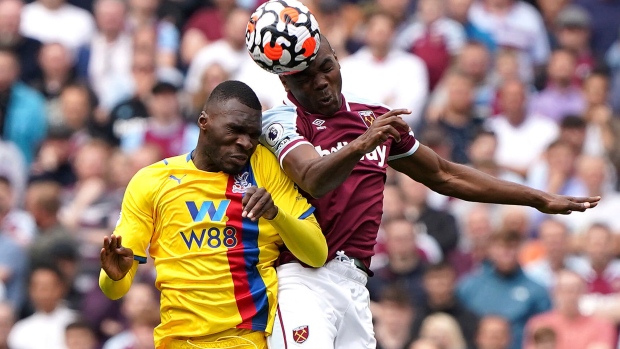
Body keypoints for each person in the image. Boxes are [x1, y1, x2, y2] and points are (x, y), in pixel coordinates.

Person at [255, 30, 599, 348]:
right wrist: (364, 143)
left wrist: (536, 198)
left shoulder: (373, 117)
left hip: (355, 282)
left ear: (336, 58)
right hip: (303, 278)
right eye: (304, 78)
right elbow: (313, 177)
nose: (321, 83)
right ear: (286, 82)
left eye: (326, 67)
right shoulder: (281, 120)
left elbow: (445, 175)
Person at [98, 80, 327, 349]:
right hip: (177, 341)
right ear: (204, 121)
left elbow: (317, 253)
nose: (245, 142)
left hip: (246, 338)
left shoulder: (264, 166)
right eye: (235, 130)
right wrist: (112, 276)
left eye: (253, 135)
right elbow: (115, 289)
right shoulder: (151, 181)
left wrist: (276, 214)